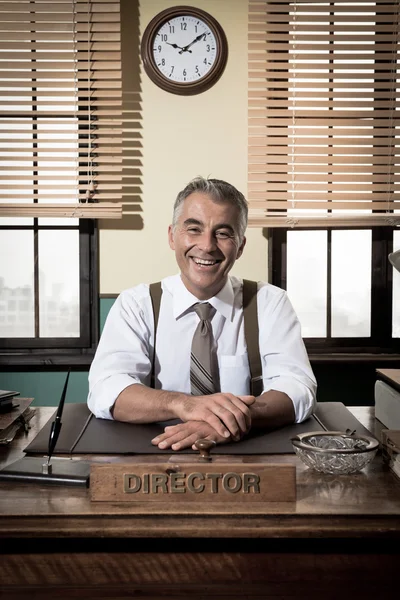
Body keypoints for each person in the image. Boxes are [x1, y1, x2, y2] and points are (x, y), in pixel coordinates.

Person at [87, 176, 317, 451]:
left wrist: (226, 421)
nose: (207, 246)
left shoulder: (271, 303)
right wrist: (184, 404)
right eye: (194, 229)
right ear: (172, 236)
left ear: (240, 246)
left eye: (223, 233)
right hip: (154, 457)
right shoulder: (136, 304)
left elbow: (298, 388)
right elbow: (106, 388)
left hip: (248, 456)